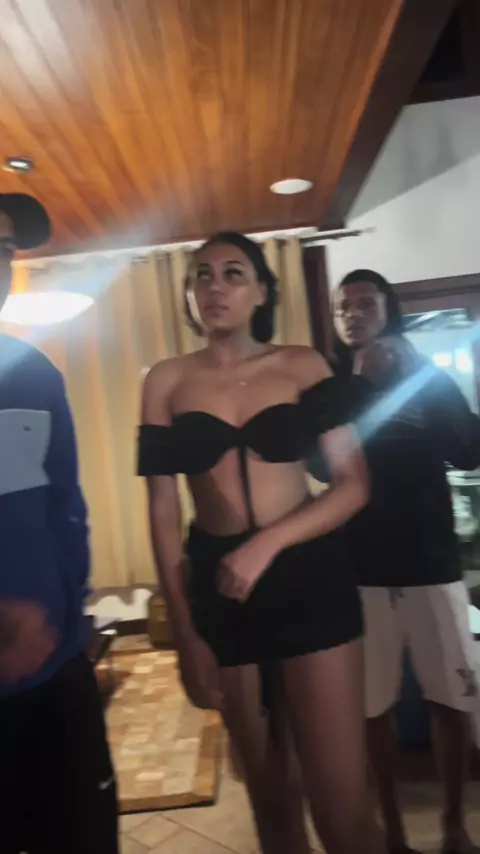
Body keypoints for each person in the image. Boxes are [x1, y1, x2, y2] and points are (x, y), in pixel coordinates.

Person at [138, 231, 386, 854]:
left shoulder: (302, 365)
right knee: (271, 807)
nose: (214, 287)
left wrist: (267, 543)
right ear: (188, 295)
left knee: (343, 815)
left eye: (233, 273)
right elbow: (163, 510)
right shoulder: (166, 381)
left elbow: (354, 485)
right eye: (201, 276)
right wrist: (186, 637)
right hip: (222, 594)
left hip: (310, 582)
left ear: (261, 293)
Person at [331, 268, 480, 854]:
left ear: (388, 308)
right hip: (361, 571)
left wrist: (424, 378)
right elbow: (320, 467)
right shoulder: (333, 385)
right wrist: (359, 386)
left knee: (451, 702)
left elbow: (468, 450)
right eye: (344, 307)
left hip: (432, 564)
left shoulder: (425, 377)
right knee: (373, 711)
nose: (353, 314)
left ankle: (453, 825)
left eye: (365, 303)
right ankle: (391, 830)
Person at [0, 193, 118, 854]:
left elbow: (65, 510)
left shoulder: (34, 375)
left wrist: (72, 618)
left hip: (56, 674)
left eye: (3, 250)